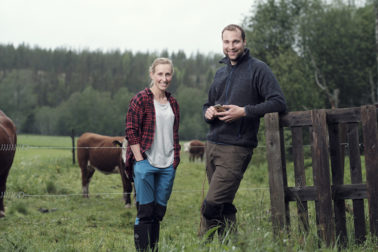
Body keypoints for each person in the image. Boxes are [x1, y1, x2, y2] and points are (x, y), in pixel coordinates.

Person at [200, 24, 287, 240]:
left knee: (211, 205)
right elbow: (208, 104)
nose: (231, 46)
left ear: (244, 42)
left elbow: (278, 102)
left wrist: (245, 112)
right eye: (227, 42)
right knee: (224, 203)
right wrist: (208, 112)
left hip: (237, 148)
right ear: (222, 43)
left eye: (235, 41)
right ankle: (232, 243)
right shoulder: (221, 72)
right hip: (212, 144)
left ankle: (204, 243)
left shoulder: (258, 69)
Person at [125, 57, 180, 251]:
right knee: (145, 211)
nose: (164, 78)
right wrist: (139, 161)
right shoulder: (141, 99)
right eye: (160, 74)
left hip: (168, 165)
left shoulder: (173, 102)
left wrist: (175, 161)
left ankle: (154, 249)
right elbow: (131, 130)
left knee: (158, 213)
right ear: (152, 75)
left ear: (171, 75)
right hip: (146, 162)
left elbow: (174, 133)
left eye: (167, 74)